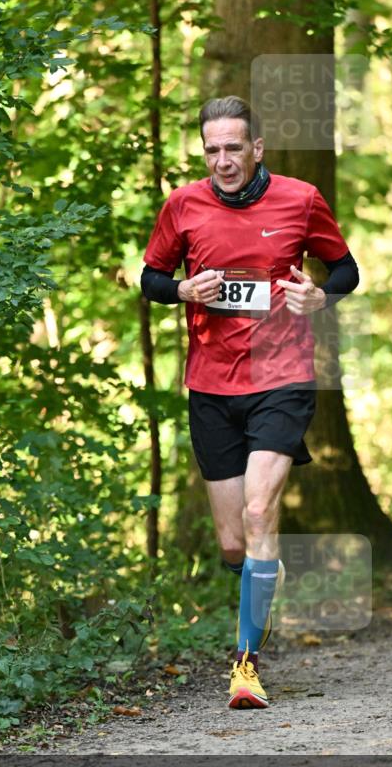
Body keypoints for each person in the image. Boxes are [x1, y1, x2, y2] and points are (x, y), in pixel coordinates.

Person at [141, 95, 359, 710]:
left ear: (256, 148)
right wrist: (182, 287)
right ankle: (261, 581)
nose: (223, 160)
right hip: (211, 385)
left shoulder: (300, 198)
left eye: (234, 147)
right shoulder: (183, 206)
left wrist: (319, 295)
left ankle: (246, 666)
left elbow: (345, 269)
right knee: (235, 543)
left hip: (283, 378)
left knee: (262, 513)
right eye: (212, 149)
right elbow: (151, 279)